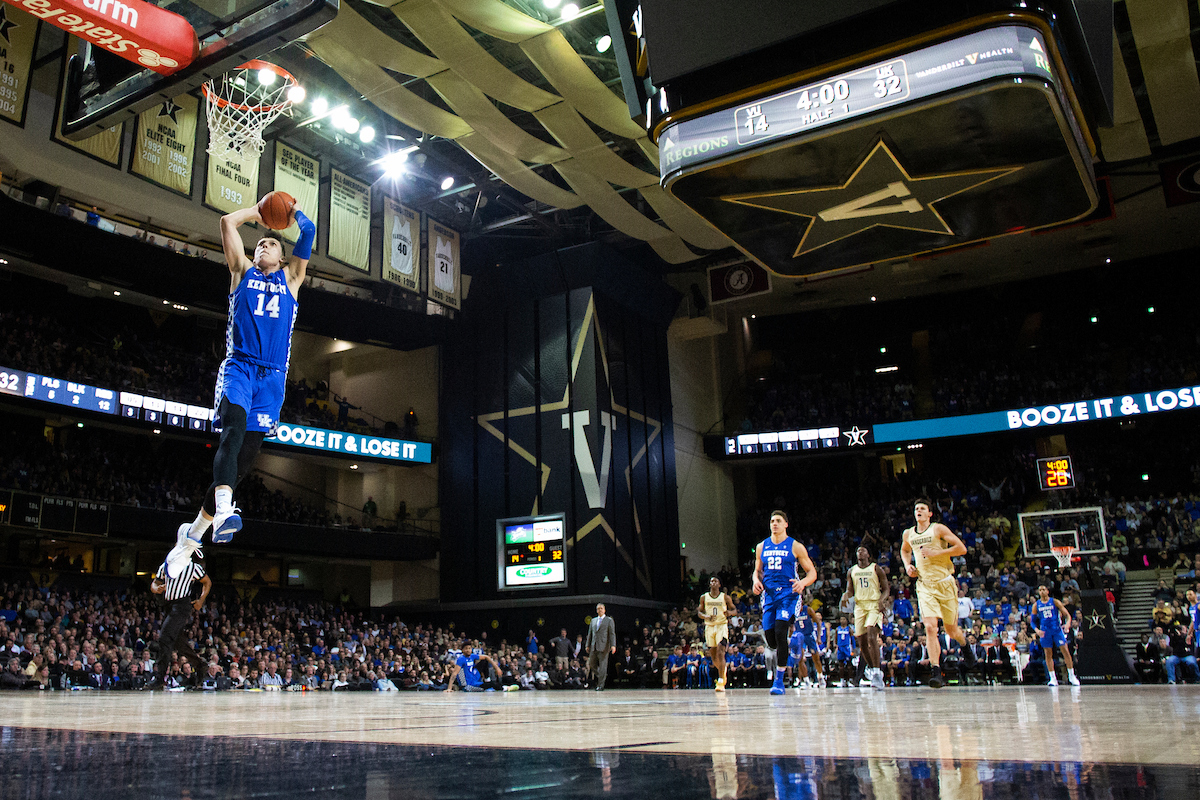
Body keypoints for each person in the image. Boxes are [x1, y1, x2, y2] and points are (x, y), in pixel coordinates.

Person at [166, 198, 315, 564]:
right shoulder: (240, 271)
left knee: (246, 460)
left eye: (271, 244)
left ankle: (194, 534)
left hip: (273, 377)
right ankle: (222, 511)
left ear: (281, 258)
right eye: (259, 243)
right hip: (241, 367)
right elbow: (227, 223)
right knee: (233, 433)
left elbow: (308, 232)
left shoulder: (292, 279)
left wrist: (291, 212)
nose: (263, 245)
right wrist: (260, 211)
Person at [900, 498, 977, 688]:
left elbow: (962, 548)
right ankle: (936, 671)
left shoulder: (938, 529)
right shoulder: (908, 533)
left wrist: (938, 553)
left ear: (929, 513)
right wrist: (907, 565)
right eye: (916, 508)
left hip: (945, 583)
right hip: (925, 585)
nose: (918, 511)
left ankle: (964, 644)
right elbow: (904, 550)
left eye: (922, 508)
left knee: (951, 630)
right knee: (930, 628)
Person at [753, 510, 818, 694]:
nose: (774, 524)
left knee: (780, 632)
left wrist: (802, 583)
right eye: (772, 520)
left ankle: (779, 681)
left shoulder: (795, 546)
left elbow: (812, 572)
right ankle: (794, 642)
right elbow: (757, 570)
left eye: (778, 521)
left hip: (788, 596)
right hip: (769, 597)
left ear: (785, 524)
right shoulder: (761, 546)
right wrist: (755, 581)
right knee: (772, 641)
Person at [149, 549, 212, 688]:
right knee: (178, 643)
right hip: (168, 605)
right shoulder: (166, 565)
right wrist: (156, 588)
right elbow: (154, 583)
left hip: (182, 605)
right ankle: (200, 665)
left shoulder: (192, 567)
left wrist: (201, 600)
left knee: (164, 638)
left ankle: (160, 679)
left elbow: (207, 582)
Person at [839, 545, 890, 690]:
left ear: (868, 554)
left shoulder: (876, 568)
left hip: (874, 604)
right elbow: (850, 591)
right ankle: (873, 670)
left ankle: (876, 672)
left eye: (863, 550)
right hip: (859, 606)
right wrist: (845, 596)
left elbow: (886, 589)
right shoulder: (852, 571)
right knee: (861, 643)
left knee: (872, 635)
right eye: (858, 551)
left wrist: (882, 600)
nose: (860, 552)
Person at [1031, 584, 1080, 686]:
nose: (1042, 591)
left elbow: (1067, 615)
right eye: (1040, 590)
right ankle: (1053, 678)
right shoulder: (1036, 605)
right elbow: (1032, 621)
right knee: (1048, 654)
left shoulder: (1054, 601)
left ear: (1047, 591)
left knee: (1065, 651)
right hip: (1045, 631)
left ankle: (1072, 676)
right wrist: (1037, 630)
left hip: (1057, 629)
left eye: (1044, 589)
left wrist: (1067, 624)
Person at [698, 576, 736, 692]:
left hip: (721, 626)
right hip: (709, 627)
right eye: (711, 581)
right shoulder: (704, 597)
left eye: (715, 581)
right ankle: (722, 672)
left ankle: (720, 681)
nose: (713, 583)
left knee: (720, 651)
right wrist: (704, 616)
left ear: (719, 585)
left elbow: (734, 610)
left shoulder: (725, 597)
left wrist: (729, 612)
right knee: (714, 657)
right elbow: (699, 611)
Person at [585, 603, 617, 691]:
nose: (600, 610)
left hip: (604, 646)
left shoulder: (609, 620)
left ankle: (600, 685)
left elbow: (612, 634)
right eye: (598, 609)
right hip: (593, 646)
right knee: (591, 663)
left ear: (604, 610)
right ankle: (602, 676)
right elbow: (590, 633)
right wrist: (587, 645)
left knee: (603, 666)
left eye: (601, 608)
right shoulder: (593, 620)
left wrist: (613, 645)